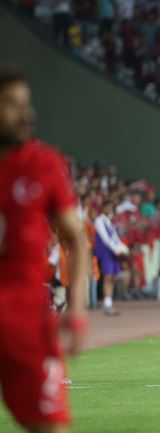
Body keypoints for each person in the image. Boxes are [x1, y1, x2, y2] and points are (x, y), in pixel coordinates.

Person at [0, 68, 88, 433]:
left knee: (49, 428)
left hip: (26, 324)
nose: (25, 113)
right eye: (10, 103)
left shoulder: (44, 164)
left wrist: (76, 309)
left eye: (26, 104)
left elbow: (76, 240)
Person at [94, 201, 129, 315]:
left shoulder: (108, 221)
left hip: (112, 253)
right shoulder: (99, 220)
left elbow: (115, 237)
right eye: (108, 207)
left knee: (112, 278)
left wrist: (123, 247)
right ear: (103, 207)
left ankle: (109, 302)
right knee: (108, 277)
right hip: (106, 252)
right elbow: (105, 238)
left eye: (111, 207)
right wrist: (116, 250)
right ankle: (107, 305)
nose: (110, 209)